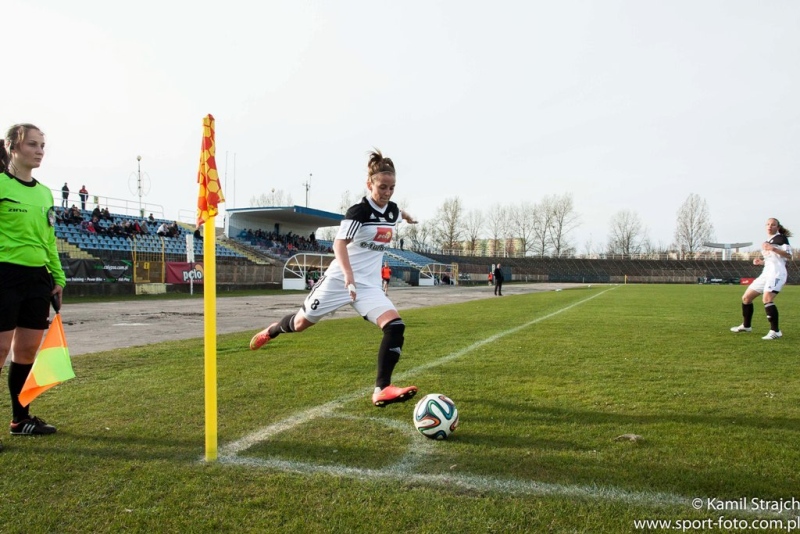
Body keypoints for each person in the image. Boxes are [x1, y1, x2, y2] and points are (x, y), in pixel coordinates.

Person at [249, 149, 419, 408]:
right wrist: (348, 277)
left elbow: (397, 213)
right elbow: (339, 244)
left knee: (395, 326)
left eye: (392, 188)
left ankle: (382, 389)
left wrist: (408, 217)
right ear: (369, 184)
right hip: (339, 279)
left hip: (368, 286)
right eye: (382, 187)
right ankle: (272, 330)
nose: (387, 193)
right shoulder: (359, 212)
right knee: (300, 323)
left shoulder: (392, 210)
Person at [0, 123, 64, 442]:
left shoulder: (45, 193)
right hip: (4, 275)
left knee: (26, 351)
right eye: (32, 145)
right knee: (0, 349)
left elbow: (49, 240)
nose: (39, 151)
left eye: (42, 145)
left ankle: (20, 419)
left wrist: (58, 277)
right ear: (12, 147)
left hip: (38, 278)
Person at [731, 218, 792, 340]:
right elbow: (772, 259)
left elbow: (789, 255)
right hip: (766, 273)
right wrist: (761, 262)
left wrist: (772, 248)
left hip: (777, 273)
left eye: (773, 224)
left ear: (777, 227)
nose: (770, 226)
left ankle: (775, 331)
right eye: (768, 224)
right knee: (746, 298)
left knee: (767, 298)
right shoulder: (768, 241)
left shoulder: (781, 238)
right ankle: (746, 326)